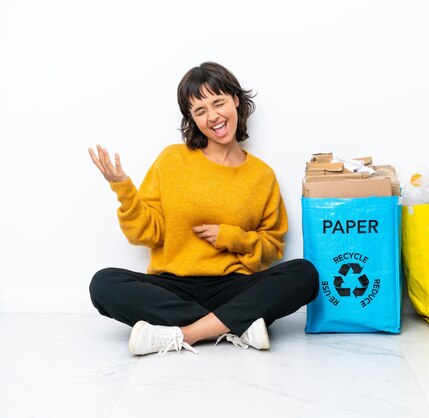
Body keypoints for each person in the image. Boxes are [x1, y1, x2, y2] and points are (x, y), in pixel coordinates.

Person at [88, 62, 319, 356]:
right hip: (172, 285)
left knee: (305, 274)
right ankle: (236, 323)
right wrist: (123, 188)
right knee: (104, 284)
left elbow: (273, 247)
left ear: (236, 100)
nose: (213, 117)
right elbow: (146, 233)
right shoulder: (171, 160)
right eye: (200, 111)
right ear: (192, 118)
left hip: (233, 285)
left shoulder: (261, 175)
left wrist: (231, 238)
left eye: (218, 103)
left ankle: (186, 333)